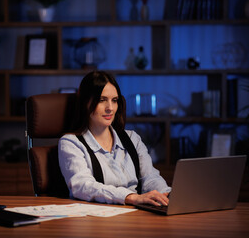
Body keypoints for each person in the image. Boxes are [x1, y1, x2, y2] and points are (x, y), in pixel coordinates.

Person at [58, 70, 171, 206]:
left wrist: (167, 195)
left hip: (136, 214)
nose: (110, 108)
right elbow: (83, 186)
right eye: (102, 100)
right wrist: (131, 197)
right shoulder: (71, 143)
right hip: (97, 220)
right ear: (85, 103)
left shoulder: (132, 138)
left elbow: (150, 177)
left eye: (114, 100)